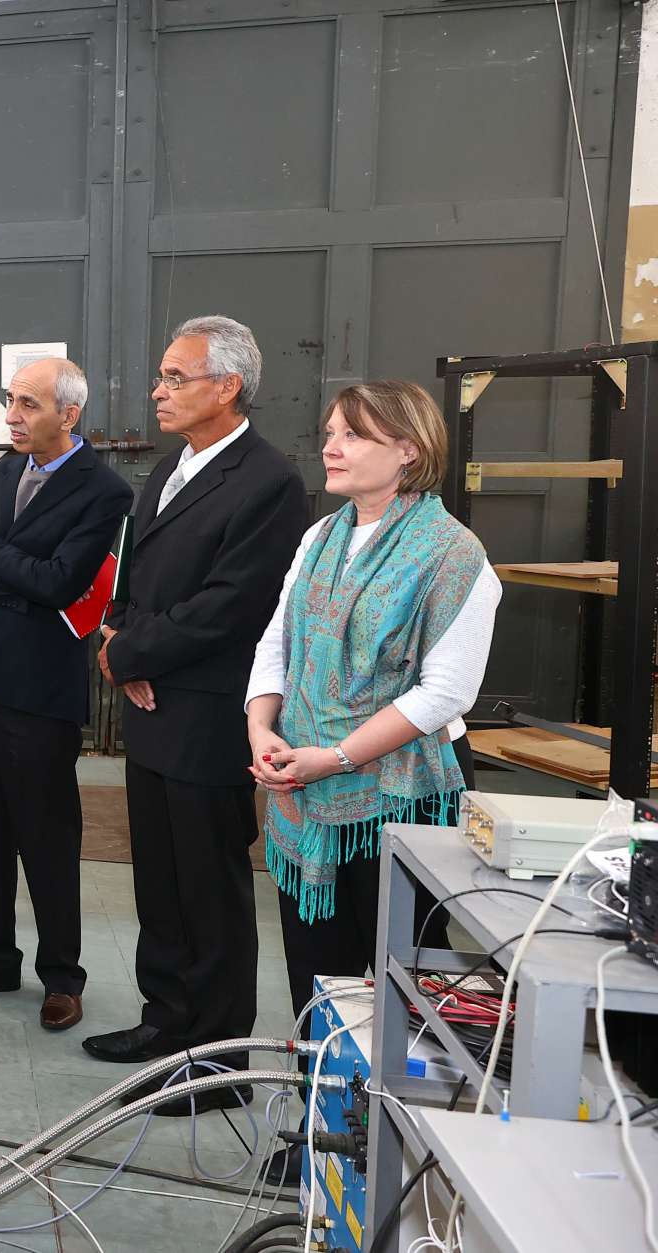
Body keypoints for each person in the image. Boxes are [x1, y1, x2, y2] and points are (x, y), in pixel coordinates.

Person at [80, 317, 308, 1112]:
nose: (158, 391)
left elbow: (232, 605)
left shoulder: (268, 481)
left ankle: (215, 1062)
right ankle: (164, 1022)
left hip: (208, 714)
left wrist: (132, 654)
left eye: (176, 377)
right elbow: (134, 578)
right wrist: (117, 639)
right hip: (152, 708)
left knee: (209, 888)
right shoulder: (169, 467)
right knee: (160, 879)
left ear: (228, 386)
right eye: (163, 375)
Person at [246, 380, 499, 1026]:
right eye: (330, 433)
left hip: (402, 796)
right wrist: (261, 728)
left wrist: (334, 756)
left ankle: (393, 1095)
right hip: (306, 792)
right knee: (315, 978)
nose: (331, 448)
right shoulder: (320, 537)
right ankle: (319, 1088)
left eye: (353, 435)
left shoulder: (453, 554)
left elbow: (446, 692)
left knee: (406, 988)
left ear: (409, 449)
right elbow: (280, 638)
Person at [0, 358, 132, 1033]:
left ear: (69, 414)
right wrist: (17, 571)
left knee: (46, 836)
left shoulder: (104, 491)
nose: (12, 416)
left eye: (28, 404)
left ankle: (62, 976)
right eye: (10, 400)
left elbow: (62, 583)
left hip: (39, 691)